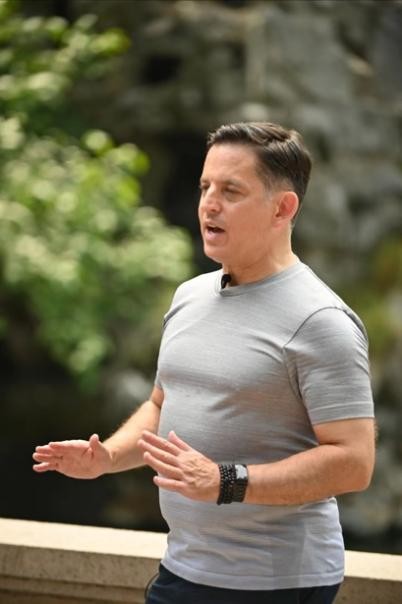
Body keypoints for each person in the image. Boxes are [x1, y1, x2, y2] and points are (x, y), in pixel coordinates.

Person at [33, 122, 375, 604]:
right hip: (184, 567)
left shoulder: (320, 320)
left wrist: (226, 481)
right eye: (205, 187)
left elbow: (354, 462)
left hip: (274, 584)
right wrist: (108, 457)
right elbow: (162, 403)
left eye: (231, 191)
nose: (209, 204)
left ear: (283, 208)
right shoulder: (189, 296)